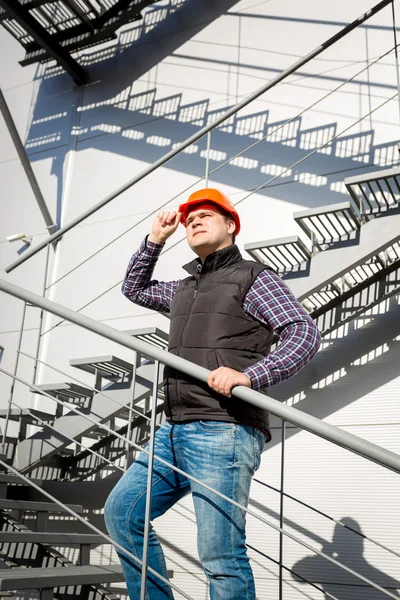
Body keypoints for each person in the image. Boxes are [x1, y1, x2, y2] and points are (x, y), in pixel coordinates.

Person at [104, 188, 321, 600]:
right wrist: (155, 241)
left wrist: (251, 376)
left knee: (220, 557)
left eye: (205, 215)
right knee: (122, 513)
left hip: (224, 430)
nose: (194, 222)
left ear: (231, 225)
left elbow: (303, 332)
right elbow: (134, 288)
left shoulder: (254, 278)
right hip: (173, 430)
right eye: (189, 220)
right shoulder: (184, 288)